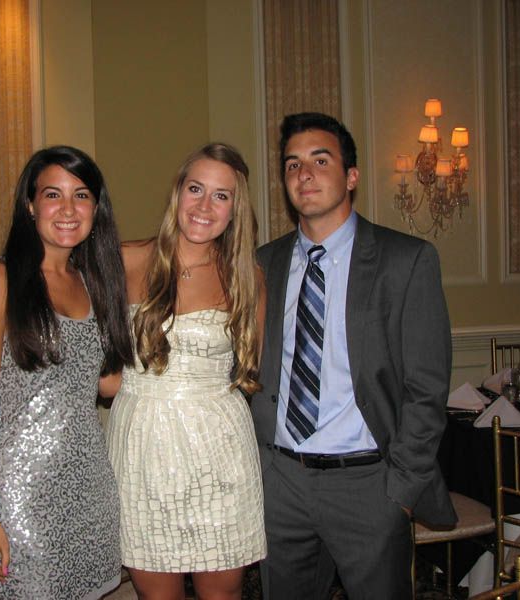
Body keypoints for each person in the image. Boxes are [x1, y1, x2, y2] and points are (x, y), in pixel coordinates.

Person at [251, 113, 456, 599]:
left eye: (321, 160)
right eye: (292, 164)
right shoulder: (262, 264)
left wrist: (400, 493)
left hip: (368, 485)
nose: (304, 174)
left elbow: (427, 389)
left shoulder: (406, 260)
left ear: (351, 176)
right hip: (280, 483)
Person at [0, 146, 133, 599]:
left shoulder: (95, 283)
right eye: (53, 194)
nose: (69, 209)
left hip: (91, 491)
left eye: (82, 196)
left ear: (97, 208)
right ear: (30, 205)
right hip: (22, 501)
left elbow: (107, 383)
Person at [105, 143, 267, 599]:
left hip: (220, 451)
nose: (204, 206)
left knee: (224, 594)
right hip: (144, 448)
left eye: (221, 195)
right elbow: (93, 362)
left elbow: (248, 370)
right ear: (177, 193)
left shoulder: (248, 278)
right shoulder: (125, 260)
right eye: (196, 188)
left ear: (236, 209)